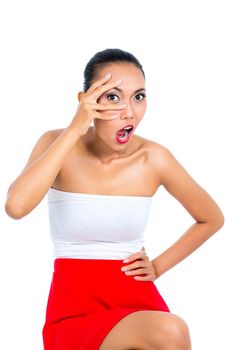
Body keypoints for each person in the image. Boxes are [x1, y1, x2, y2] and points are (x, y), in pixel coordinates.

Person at [5, 48, 224, 350]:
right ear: (86, 101)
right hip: (73, 309)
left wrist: (158, 267)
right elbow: (16, 207)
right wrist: (75, 128)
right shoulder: (55, 144)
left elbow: (211, 218)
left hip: (137, 299)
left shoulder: (154, 158)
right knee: (171, 331)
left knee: (171, 332)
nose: (129, 112)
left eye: (138, 96)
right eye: (112, 97)